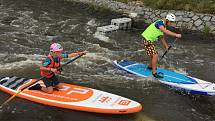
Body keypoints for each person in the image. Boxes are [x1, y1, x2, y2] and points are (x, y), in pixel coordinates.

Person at [141, 13, 181, 78]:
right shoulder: (160, 23)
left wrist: (166, 46)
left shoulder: (163, 26)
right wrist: (176, 35)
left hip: (149, 41)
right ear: (167, 20)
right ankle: (154, 73)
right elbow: (165, 31)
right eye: (171, 22)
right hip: (146, 40)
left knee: (152, 56)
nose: (171, 24)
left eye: (172, 22)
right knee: (155, 55)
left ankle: (150, 67)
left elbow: (161, 37)